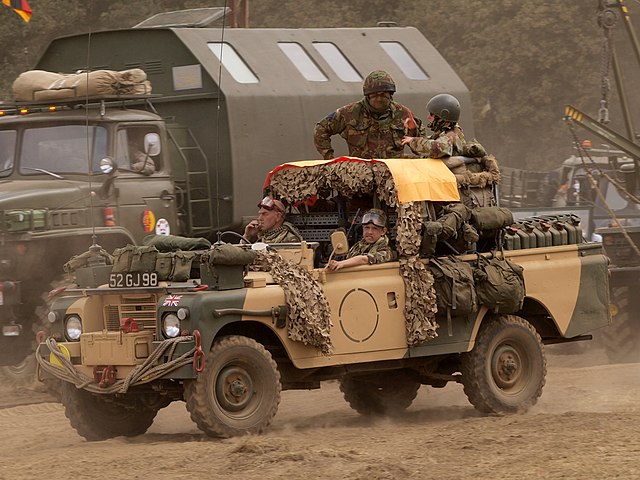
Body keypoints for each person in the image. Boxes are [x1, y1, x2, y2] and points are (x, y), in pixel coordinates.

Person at [313, 70, 425, 160]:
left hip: (394, 172)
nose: (379, 98)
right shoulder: (349, 113)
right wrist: (329, 158)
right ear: (368, 95)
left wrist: (413, 130)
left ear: (390, 94)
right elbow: (321, 128)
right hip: (362, 174)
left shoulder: (403, 113)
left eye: (383, 94)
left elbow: (422, 148)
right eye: (375, 95)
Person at [401, 93, 467, 158]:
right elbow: (424, 148)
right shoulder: (443, 133)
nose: (428, 117)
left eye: (431, 114)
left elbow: (437, 149)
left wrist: (413, 141)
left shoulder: (451, 135)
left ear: (442, 116)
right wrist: (413, 129)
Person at [327, 209, 395, 271]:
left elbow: (364, 259)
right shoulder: (358, 246)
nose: (370, 232)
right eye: (367, 228)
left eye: (375, 228)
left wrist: (341, 263)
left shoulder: (386, 251)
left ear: (383, 231)